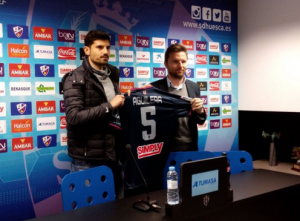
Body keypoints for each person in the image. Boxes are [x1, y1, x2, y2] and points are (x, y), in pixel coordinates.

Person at [61, 30, 125, 199]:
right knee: (90, 212)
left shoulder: (113, 74)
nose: (105, 51)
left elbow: (113, 114)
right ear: (87, 50)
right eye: (99, 47)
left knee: (119, 210)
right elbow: (74, 117)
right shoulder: (74, 77)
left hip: (114, 156)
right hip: (87, 160)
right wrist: (109, 106)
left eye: (107, 47)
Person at [151, 43, 207, 151]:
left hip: (190, 147)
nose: (180, 65)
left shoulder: (194, 86)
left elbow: (200, 121)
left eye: (183, 61)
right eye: (175, 61)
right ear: (166, 64)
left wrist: (200, 111)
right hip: (164, 149)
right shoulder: (154, 88)